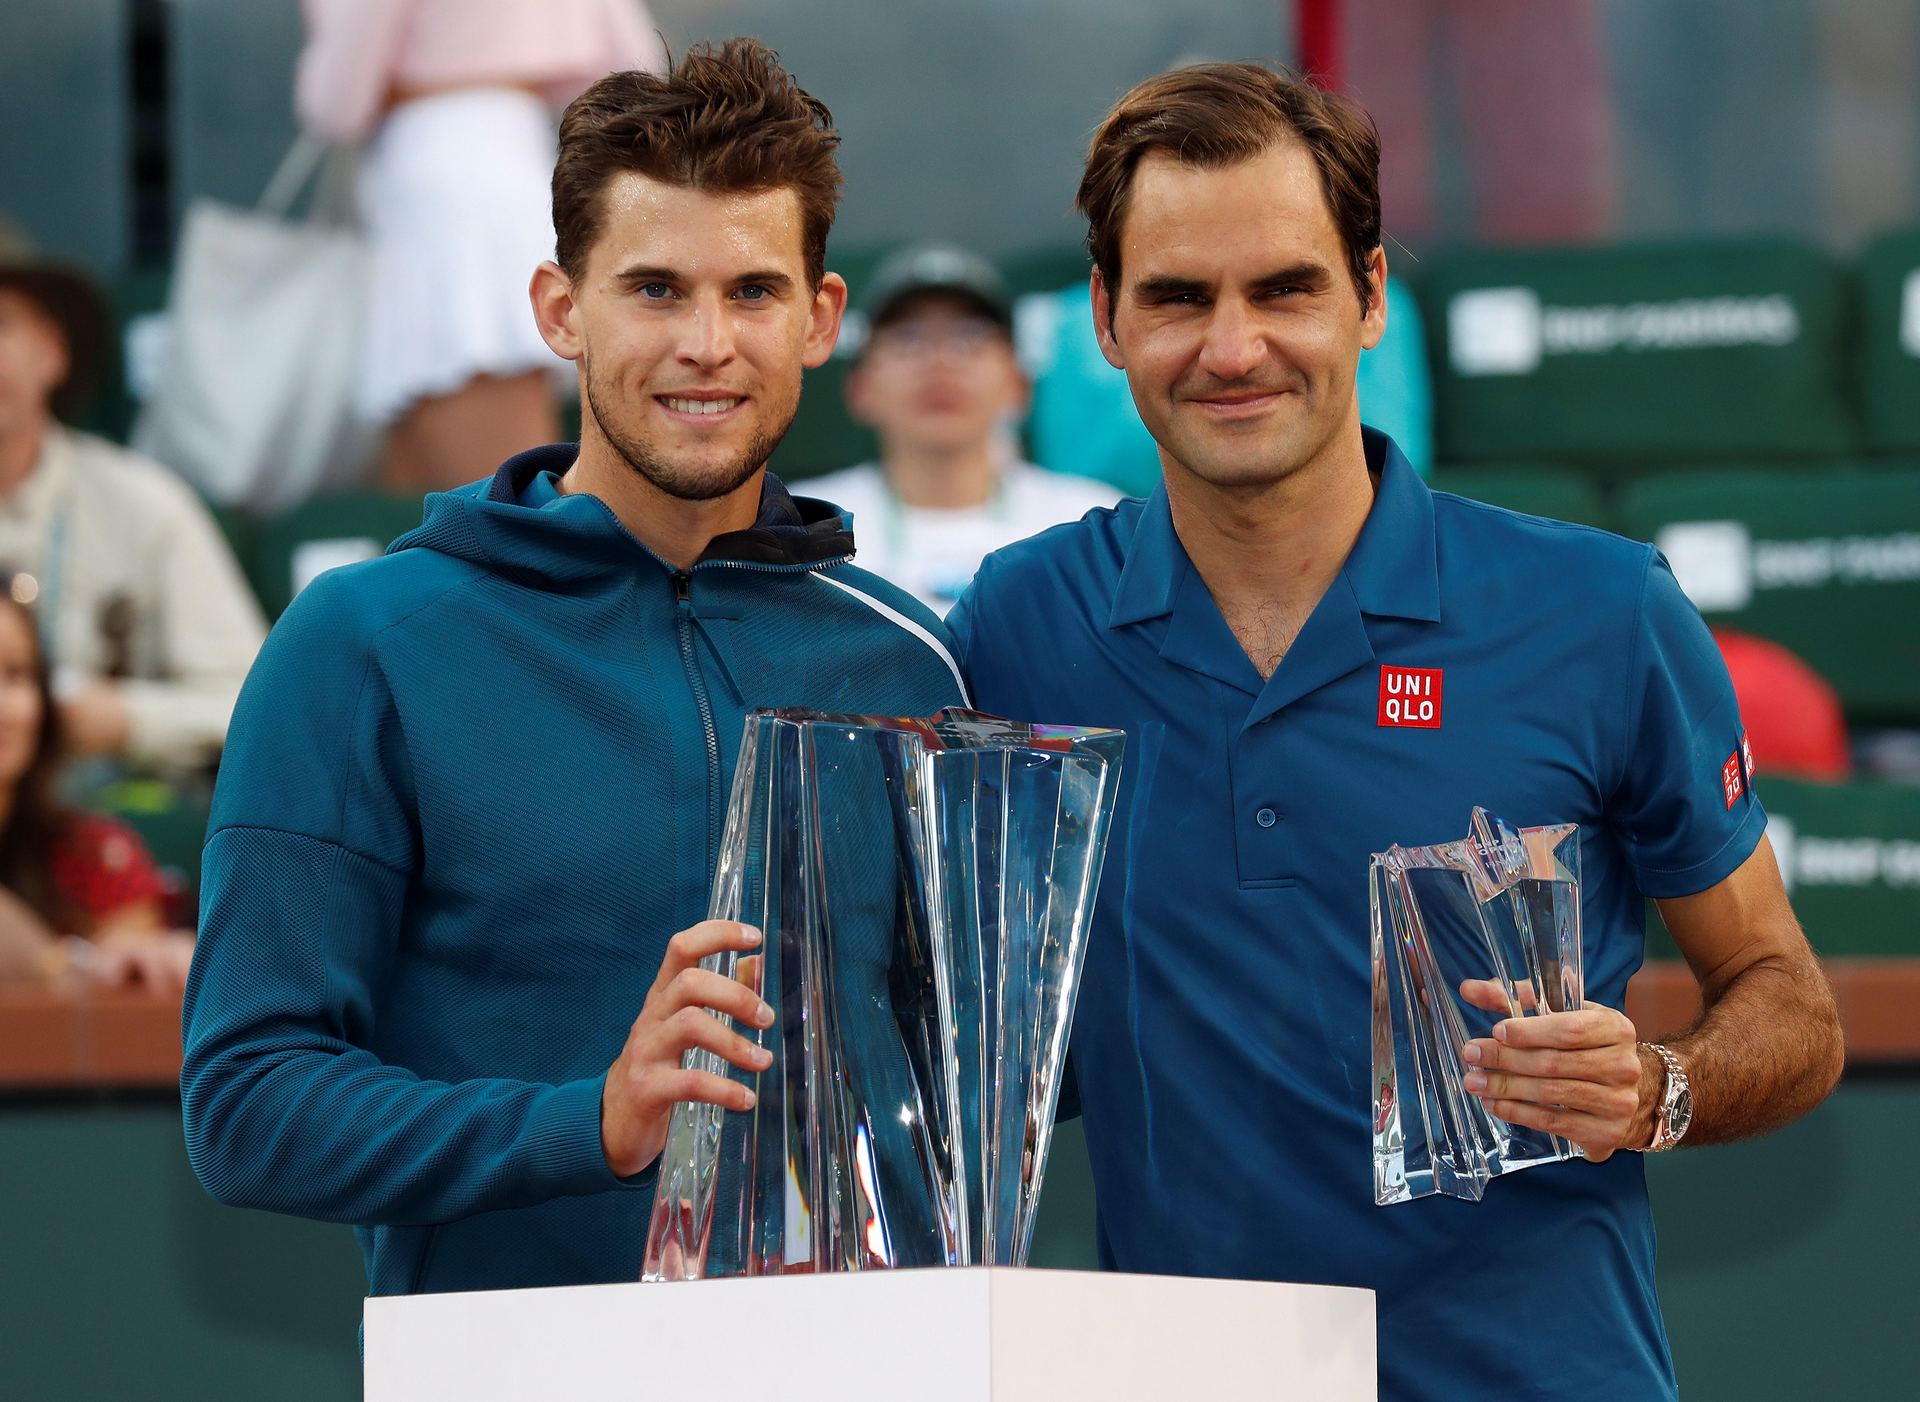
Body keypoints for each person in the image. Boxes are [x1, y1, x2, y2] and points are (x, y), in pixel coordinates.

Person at [947, 64, 1843, 1400]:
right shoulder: (1022, 621)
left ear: (1370, 298)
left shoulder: (1599, 608)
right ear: (1108, 322)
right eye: (1181, 297)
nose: (1234, 346)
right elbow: (974, 1030)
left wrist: (1655, 1085)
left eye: (1285, 288)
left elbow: (1791, 1000)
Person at [182, 39, 967, 1299]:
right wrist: (588, 1123)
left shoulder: (907, 656)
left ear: (820, 318)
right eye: (654, 290)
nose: (707, 344)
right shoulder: (362, 643)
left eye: (754, 292)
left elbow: (973, 1065)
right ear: (560, 309)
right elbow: (247, 1101)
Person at [295, 0, 667, 491]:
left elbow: (336, 104)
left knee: (497, 507)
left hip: (447, 196)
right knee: (447, 510)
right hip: (503, 161)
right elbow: (634, 69)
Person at [0, 223, 267, 774]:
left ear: (51, 351)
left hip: (85, 816)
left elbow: (255, 700)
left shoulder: (143, 505)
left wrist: (124, 719)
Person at [803, 244, 1114, 615]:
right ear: (859, 387)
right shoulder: (803, 529)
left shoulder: (1092, 526)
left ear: (1018, 384)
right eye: (908, 339)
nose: (941, 363)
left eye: (971, 336)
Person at [0, 576, 195, 990]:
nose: (2, 707)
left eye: (16, 675)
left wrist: (131, 962)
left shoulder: (96, 854)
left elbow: (124, 998)